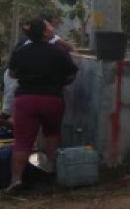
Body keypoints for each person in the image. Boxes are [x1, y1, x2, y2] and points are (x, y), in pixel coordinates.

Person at [6, 17, 78, 192]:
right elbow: (72, 73)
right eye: (49, 26)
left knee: (23, 141)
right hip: (52, 99)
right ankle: (52, 173)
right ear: (45, 32)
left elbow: (13, 74)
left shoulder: (21, 52)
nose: (51, 28)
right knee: (52, 134)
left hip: (25, 100)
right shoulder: (58, 52)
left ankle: (16, 181)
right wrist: (59, 83)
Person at [0, 14, 75, 121]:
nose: (53, 27)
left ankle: (4, 129)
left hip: (21, 88)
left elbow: (12, 71)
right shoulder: (56, 45)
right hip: (25, 86)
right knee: (9, 111)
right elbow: (71, 58)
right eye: (50, 25)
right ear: (44, 30)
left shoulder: (23, 46)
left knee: (12, 111)